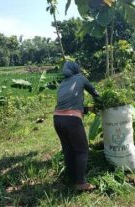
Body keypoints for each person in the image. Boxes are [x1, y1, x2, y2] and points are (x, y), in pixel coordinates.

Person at [53, 61, 99, 191]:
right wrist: (101, 103)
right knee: (82, 150)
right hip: (72, 120)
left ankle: (71, 177)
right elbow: (95, 93)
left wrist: (87, 109)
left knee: (68, 150)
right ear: (76, 69)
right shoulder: (80, 78)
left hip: (57, 119)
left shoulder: (62, 84)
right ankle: (80, 183)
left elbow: (68, 105)